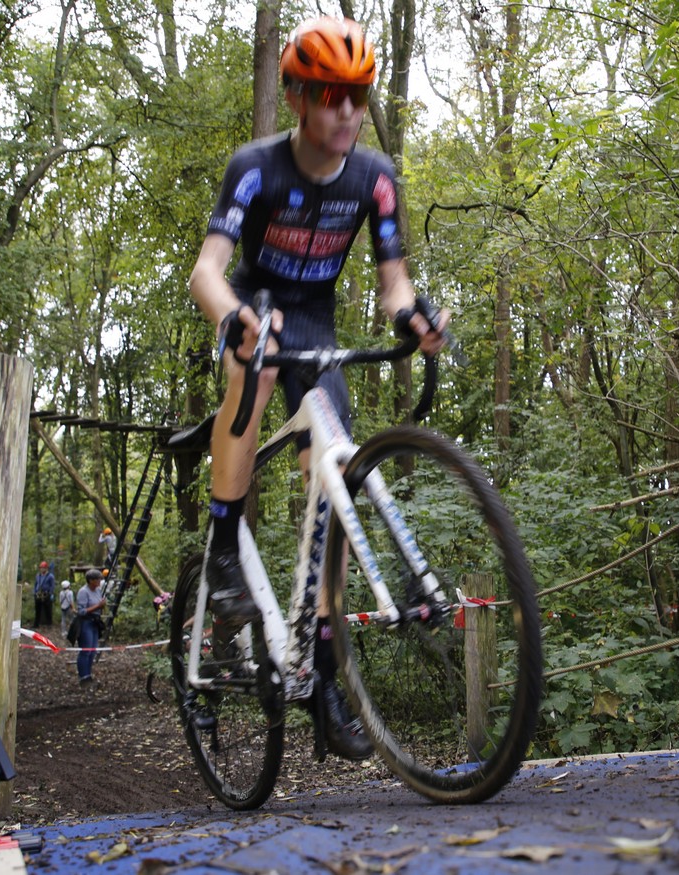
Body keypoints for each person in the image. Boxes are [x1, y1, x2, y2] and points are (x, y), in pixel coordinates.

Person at [188, 15, 447, 762]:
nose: (347, 112)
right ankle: (224, 543)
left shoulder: (375, 177)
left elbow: (393, 285)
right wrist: (233, 318)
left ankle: (325, 676)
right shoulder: (255, 167)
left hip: (316, 320)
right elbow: (206, 271)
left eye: (358, 96)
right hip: (257, 305)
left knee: (333, 484)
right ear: (299, 97)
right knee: (257, 369)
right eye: (331, 96)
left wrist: (415, 316)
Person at [75, 568, 106, 686]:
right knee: (86, 650)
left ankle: (88, 675)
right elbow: (81, 611)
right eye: (97, 579)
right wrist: (98, 606)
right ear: (91, 580)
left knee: (93, 651)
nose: (99, 581)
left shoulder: (98, 591)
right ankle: (83, 676)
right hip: (86, 622)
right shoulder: (83, 592)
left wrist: (102, 606)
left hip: (95, 623)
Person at [32, 561, 55, 629]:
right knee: (37, 610)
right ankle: (36, 624)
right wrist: (34, 592)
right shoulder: (38, 575)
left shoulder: (50, 576)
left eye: (43, 568)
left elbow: (52, 586)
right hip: (38, 594)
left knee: (48, 610)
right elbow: (36, 584)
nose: (42, 569)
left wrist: (50, 593)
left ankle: (49, 624)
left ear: (46, 568)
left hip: (46, 594)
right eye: (41, 568)